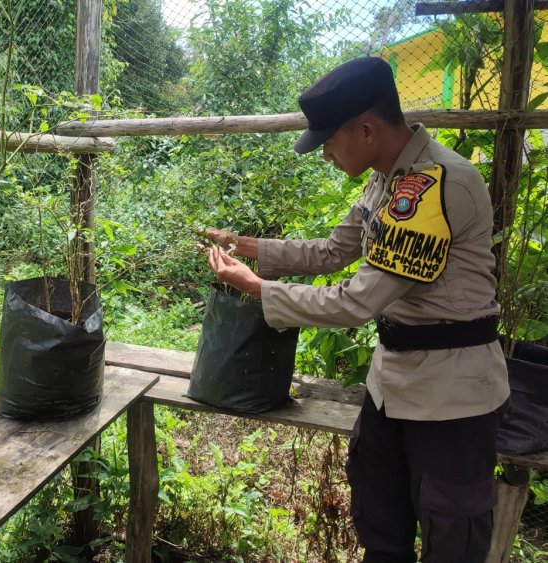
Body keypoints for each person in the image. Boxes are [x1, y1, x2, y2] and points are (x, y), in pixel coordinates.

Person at [205, 57, 509, 562]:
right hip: (392, 387)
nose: (324, 152)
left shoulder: (437, 184)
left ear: (365, 129)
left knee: (451, 540)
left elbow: (356, 301)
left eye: (327, 140)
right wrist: (246, 245)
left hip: (452, 399)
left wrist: (258, 289)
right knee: (380, 524)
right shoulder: (384, 179)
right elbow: (331, 251)